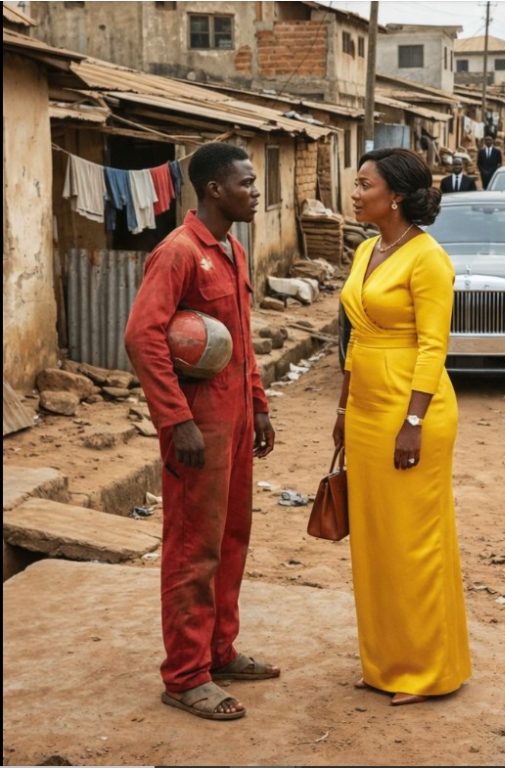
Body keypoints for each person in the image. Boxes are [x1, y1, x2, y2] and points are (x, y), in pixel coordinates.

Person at [124, 143, 279, 722]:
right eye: (246, 182)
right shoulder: (178, 253)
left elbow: (240, 339)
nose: (255, 191)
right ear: (215, 189)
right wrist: (176, 419)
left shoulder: (231, 249)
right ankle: (186, 676)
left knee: (231, 539)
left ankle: (219, 651)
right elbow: (143, 337)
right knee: (194, 547)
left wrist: (259, 407)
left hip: (235, 418)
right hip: (197, 426)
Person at [335, 148, 471, 707]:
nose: (355, 191)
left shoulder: (428, 258)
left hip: (412, 412)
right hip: (367, 408)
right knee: (374, 542)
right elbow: (356, 338)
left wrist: (412, 422)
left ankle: (427, 670)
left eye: (364, 183)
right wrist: (343, 410)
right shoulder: (368, 248)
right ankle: (386, 662)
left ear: (394, 195)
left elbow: (434, 347)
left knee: (414, 541)